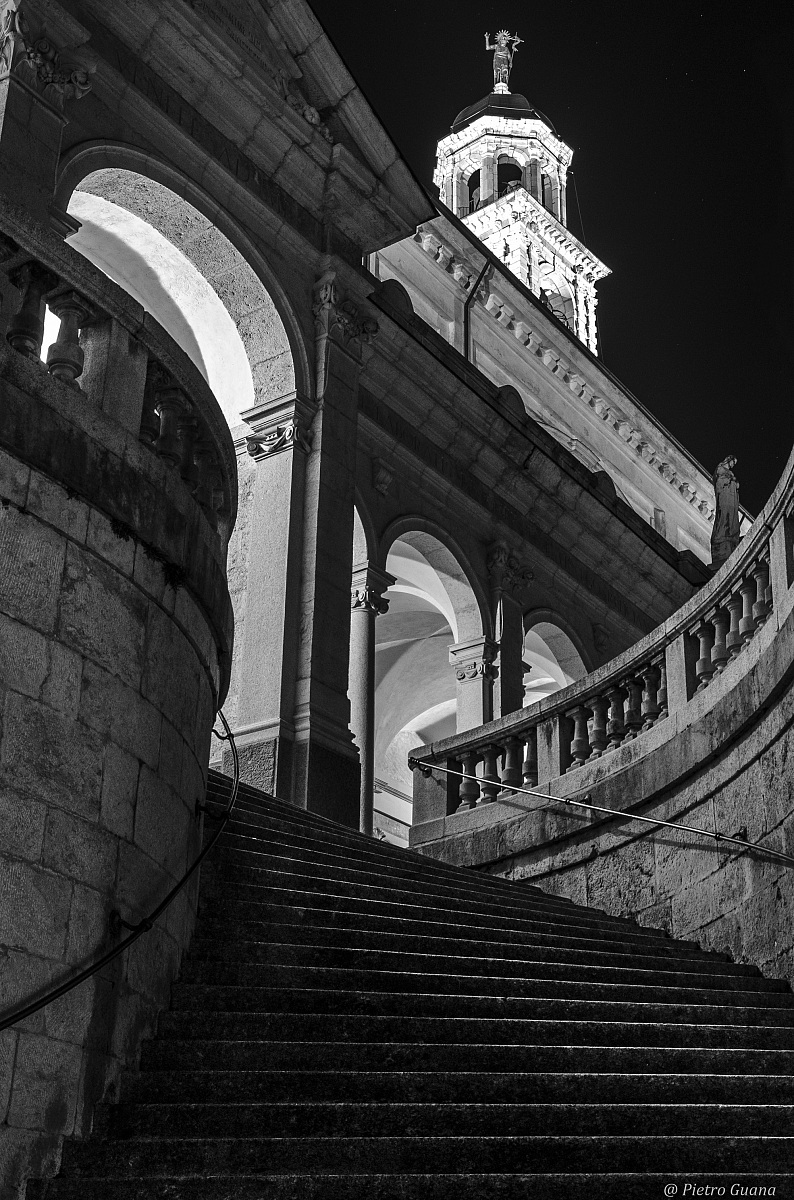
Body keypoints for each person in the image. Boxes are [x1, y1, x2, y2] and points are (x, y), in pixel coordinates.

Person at [710, 455, 740, 567]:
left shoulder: (728, 472)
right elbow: (719, 482)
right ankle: (722, 536)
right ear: (729, 460)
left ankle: (731, 535)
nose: (733, 464)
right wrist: (730, 481)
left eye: (734, 463)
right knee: (724, 515)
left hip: (731, 496)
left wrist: (734, 484)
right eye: (733, 462)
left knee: (731, 517)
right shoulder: (720, 468)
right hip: (725, 495)